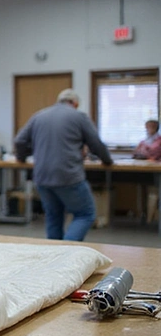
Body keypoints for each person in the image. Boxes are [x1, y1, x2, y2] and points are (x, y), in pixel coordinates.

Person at [14, 89, 113, 241]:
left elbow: (19, 141)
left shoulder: (39, 116)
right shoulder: (79, 117)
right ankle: (68, 251)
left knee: (54, 216)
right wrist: (107, 161)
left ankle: (56, 257)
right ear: (75, 103)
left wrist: (22, 157)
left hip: (42, 177)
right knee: (85, 214)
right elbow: (96, 145)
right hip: (68, 176)